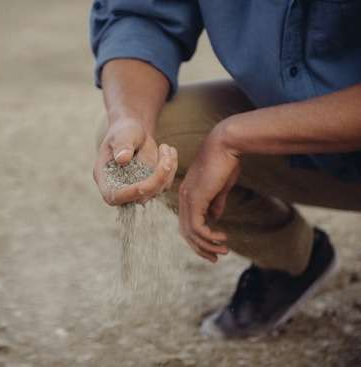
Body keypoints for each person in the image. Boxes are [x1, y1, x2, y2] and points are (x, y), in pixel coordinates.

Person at [89, 0, 361, 338]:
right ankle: (293, 260)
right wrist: (129, 116)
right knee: (155, 136)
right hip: (304, 125)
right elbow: (141, 15)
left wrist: (235, 137)